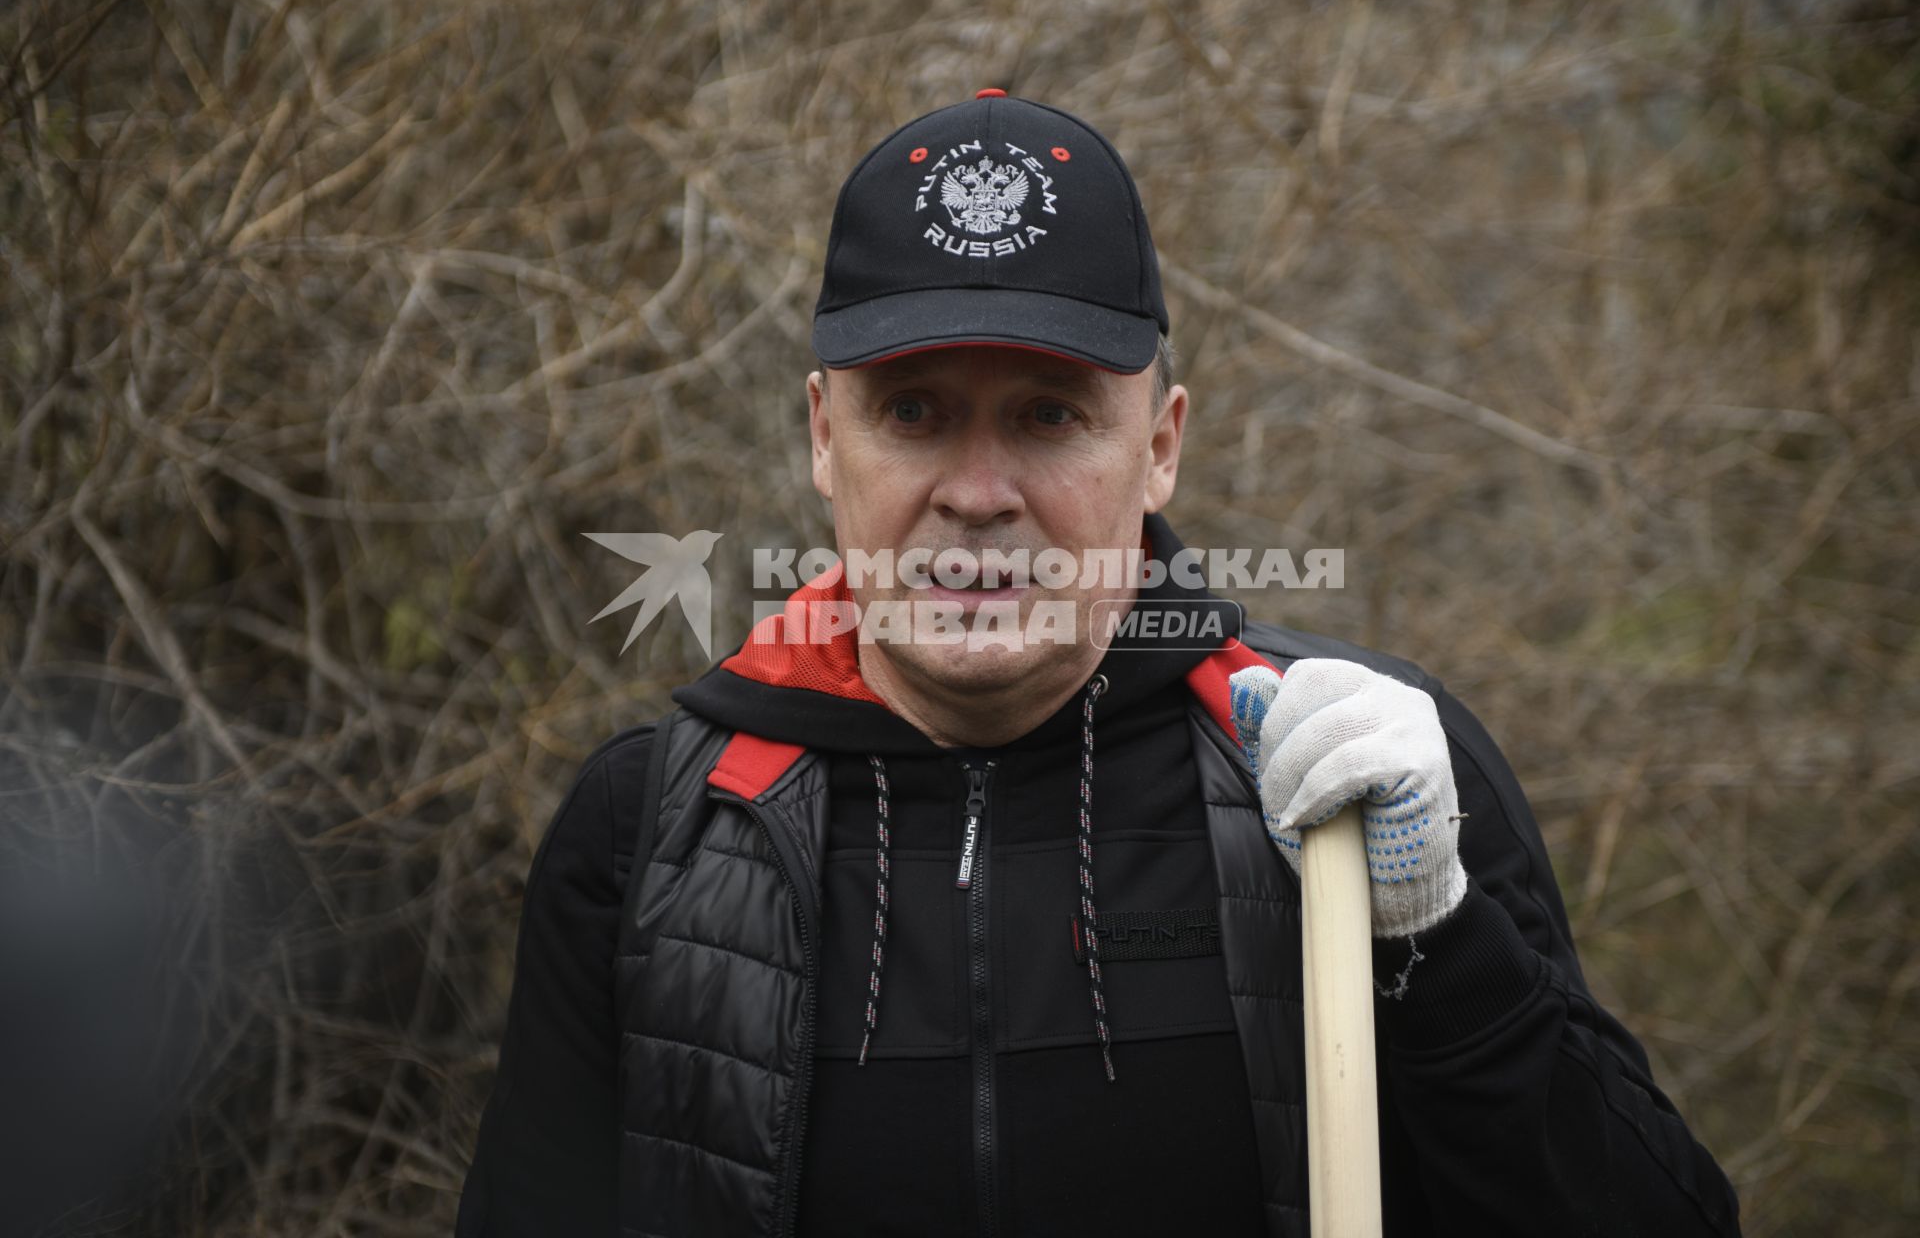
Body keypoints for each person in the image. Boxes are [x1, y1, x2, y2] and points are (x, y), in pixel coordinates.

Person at [455, 89, 1742, 1237]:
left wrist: (1435, 939)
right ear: (821, 435)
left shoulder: (1355, 784)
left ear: (1161, 443)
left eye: (1050, 413)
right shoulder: (650, 832)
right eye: (913, 411)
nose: (977, 492)